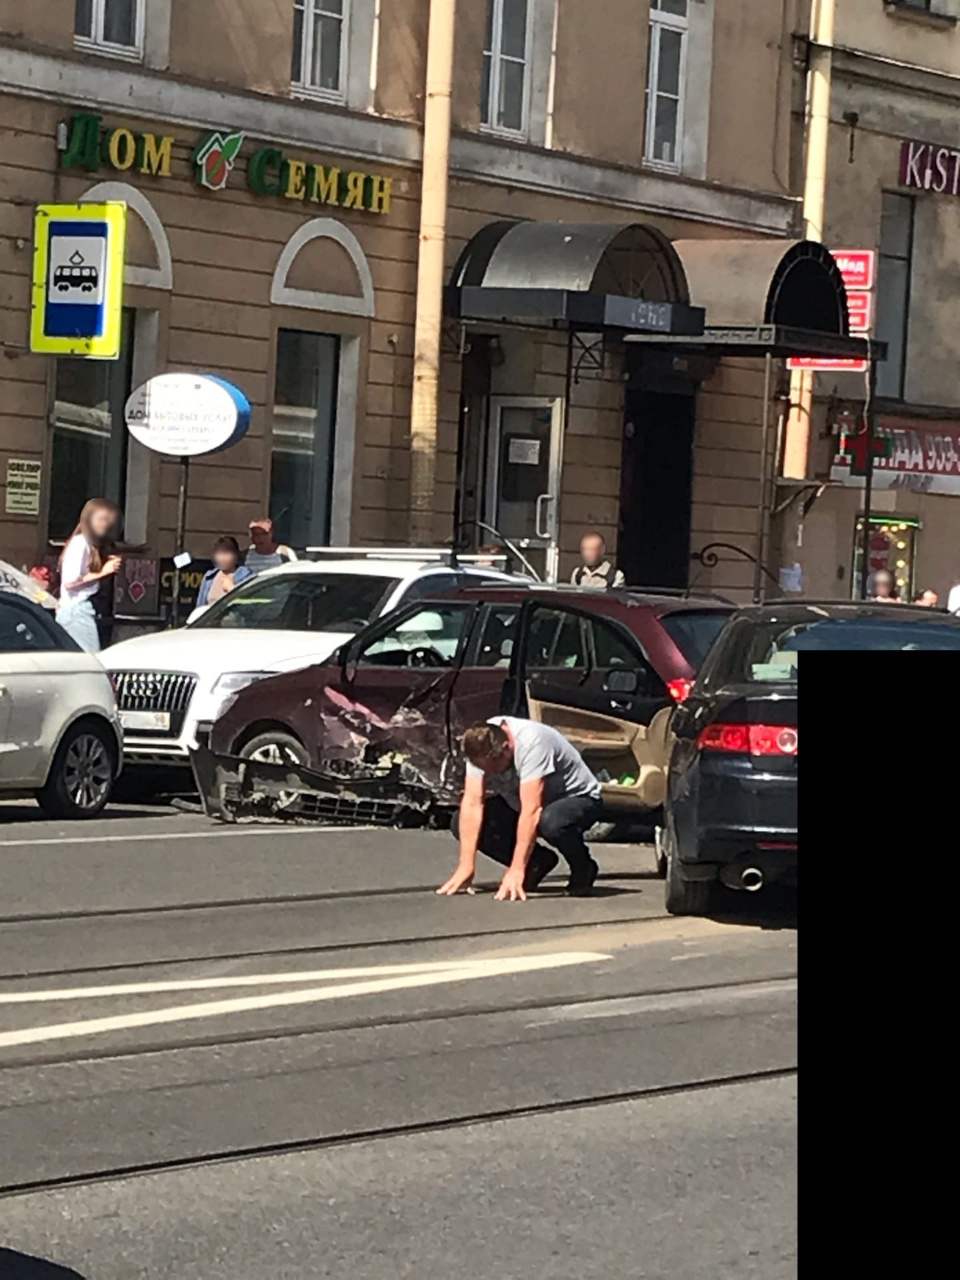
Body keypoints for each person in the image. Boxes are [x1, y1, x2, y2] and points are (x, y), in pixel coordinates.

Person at [437, 718, 603, 902]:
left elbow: (531, 810)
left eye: (493, 768)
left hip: (577, 799)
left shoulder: (533, 743)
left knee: (551, 822)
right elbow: (472, 803)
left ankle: (583, 866)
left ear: (506, 748)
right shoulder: (479, 743)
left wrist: (516, 868)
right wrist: (466, 865)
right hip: (518, 801)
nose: (489, 773)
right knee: (458, 822)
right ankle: (537, 863)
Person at [57, 498, 123, 652]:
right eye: (101, 519)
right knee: (91, 661)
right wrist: (102, 571)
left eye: (108, 520)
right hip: (76, 611)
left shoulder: (92, 544)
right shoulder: (80, 543)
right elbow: (70, 582)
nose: (105, 524)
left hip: (79, 610)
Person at [197, 536, 253, 606]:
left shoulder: (246, 576)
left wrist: (232, 589)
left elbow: (248, 605)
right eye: (219, 553)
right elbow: (200, 605)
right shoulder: (209, 577)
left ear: (236, 555)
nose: (222, 558)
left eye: (226, 553)